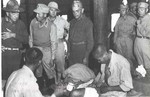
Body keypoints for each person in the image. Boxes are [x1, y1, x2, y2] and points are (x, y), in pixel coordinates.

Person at [29, 4, 57, 87]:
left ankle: (51, 89)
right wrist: (31, 50)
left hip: (47, 50)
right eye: (36, 13)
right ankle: (40, 88)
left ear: (45, 15)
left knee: (49, 70)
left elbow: (53, 42)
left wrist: (52, 57)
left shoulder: (52, 26)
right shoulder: (33, 22)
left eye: (39, 14)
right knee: (37, 71)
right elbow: (31, 37)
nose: (36, 15)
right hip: (36, 49)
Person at [2, 0, 29, 80]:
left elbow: (26, 40)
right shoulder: (1, 22)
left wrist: (13, 35)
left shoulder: (21, 24)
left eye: (17, 13)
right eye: (13, 13)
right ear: (7, 13)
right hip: (3, 56)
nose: (16, 15)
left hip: (16, 56)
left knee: (13, 80)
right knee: (3, 79)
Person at [48, 1, 70, 83]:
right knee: (49, 64)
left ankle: (60, 81)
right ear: (48, 10)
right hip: (48, 45)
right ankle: (53, 82)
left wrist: (66, 36)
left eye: (55, 10)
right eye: (51, 10)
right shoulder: (45, 21)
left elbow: (71, 29)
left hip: (59, 44)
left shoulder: (62, 20)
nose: (53, 12)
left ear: (57, 11)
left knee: (60, 64)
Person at [68, 0, 94, 66]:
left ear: (82, 10)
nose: (75, 13)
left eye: (77, 11)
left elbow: (91, 42)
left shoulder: (87, 23)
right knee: (72, 72)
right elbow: (69, 39)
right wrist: (68, 51)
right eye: (73, 11)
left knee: (82, 73)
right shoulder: (71, 22)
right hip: (72, 52)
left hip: (82, 52)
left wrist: (86, 56)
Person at [113, 3, 136, 75]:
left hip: (128, 41)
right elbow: (116, 31)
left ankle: (132, 73)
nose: (122, 11)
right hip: (119, 41)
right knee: (120, 57)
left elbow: (136, 32)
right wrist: (115, 42)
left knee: (129, 57)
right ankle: (122, 73)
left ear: (127, 10)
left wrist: (133, 41)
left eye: (124, 10)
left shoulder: (133, 19)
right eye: (121, 10)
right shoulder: (119, 20)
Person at [134, 1, 150, 78]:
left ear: (147, 10)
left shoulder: (148, 19)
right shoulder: (140, 18)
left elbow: (144, 32)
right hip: (138, 40)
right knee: (139, 58)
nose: (139, 11)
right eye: (139, 9)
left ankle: (148, 76)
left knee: (146, 59)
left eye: (142, 9)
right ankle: (142, 74)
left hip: (144, 40)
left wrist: (138, 24)